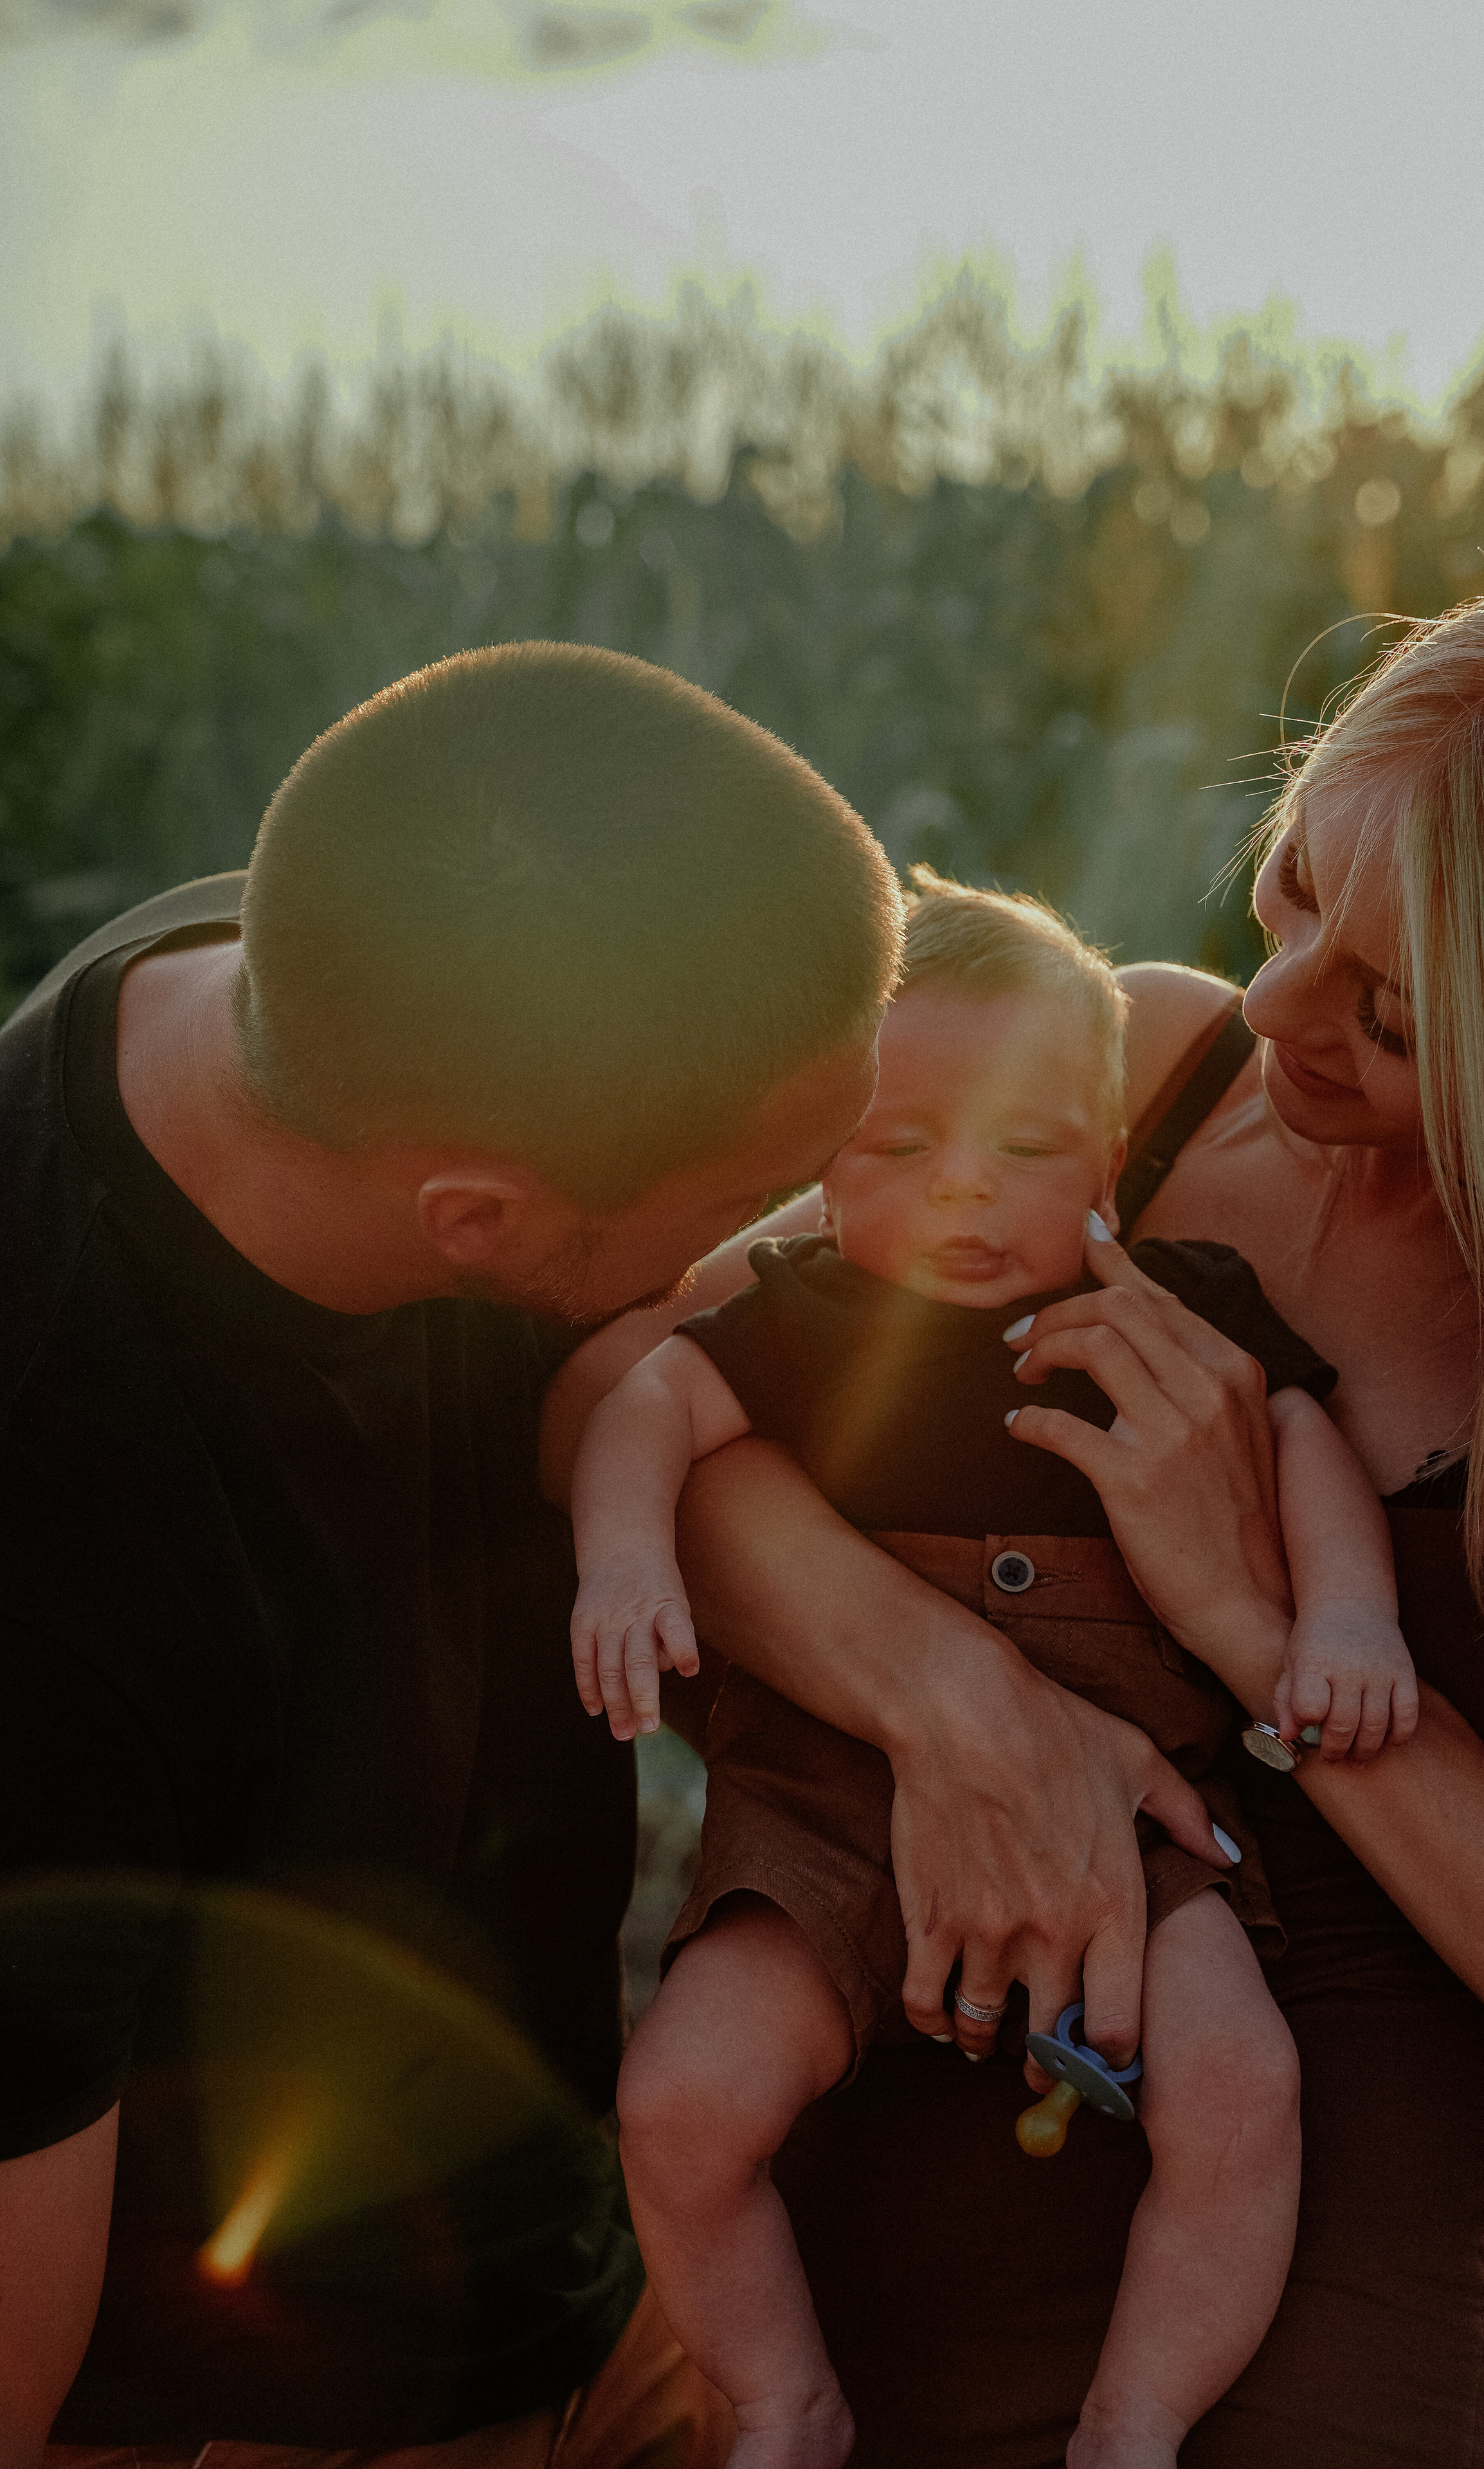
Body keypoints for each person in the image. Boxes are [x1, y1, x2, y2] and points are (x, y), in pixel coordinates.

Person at [540, 549, 1484, 2468]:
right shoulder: (1136, 1081)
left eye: (1390, 1014)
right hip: (863, 2115)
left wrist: (1257, 1636)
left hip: (1306, 2283)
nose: (1276, 997)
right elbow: (620, 1396)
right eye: (1290, 885)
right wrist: (963, 1708)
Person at [0, 641, 906, 2467]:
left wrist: (953, 1700)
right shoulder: (54, 1544)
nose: (807, 1241)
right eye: (747, 1209)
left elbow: (640, 1379)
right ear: (475, 1220)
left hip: (586, 2278)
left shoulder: (330, 976)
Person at [568, 876, 1418, 2469]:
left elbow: (1297, 1436)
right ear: (821, 1170)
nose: (961, 1191)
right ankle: (783, 2401)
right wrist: (625, 1563)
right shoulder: (804, 1313)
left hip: (1139, 1817)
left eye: (1025, 1148)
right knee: (679, 2106)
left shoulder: (1169, 1305)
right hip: (823, 1821)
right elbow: (641, 1406)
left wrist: (1348, 1622)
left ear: (1107, 1156)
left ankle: (1133, 2422)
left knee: (1242, 2094)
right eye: (899, 1148)